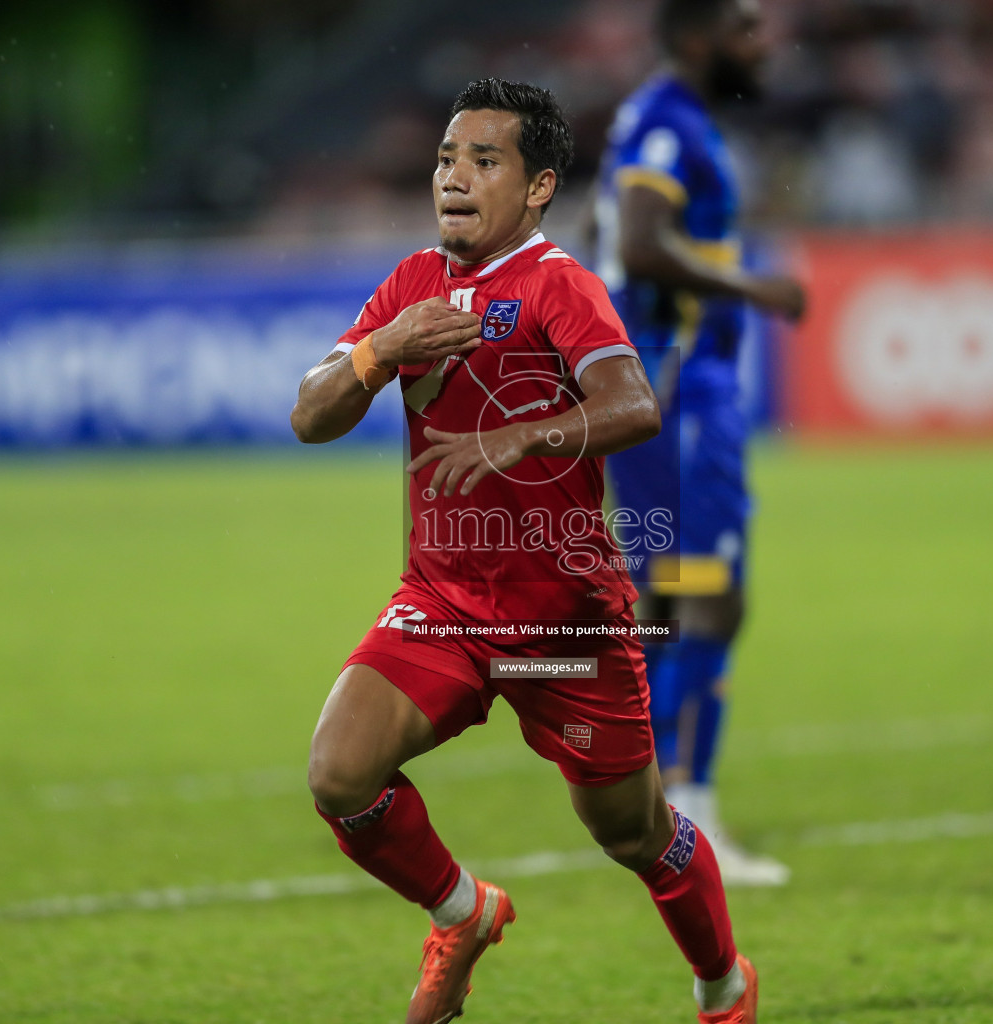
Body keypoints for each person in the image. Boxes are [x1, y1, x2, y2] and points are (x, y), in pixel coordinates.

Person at [290, 78, 759, 1023]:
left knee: (633, 832)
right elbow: (311, 414)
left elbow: (635, 405)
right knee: (339, 773)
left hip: (566, 626)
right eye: (444, 159)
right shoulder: (414, 286)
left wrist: (526, 435)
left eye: (483, 160)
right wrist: (382, 348)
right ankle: (462, 915)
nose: (453, 177)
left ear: (539, 186)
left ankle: (723, 984)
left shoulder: (560, 286)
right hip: (447, 603)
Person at [594, 0, 807, 887]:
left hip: (669, 387)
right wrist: (750, 286)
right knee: (700, 595)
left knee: (676, 595)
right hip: (674, 392)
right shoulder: (669, 126)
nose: (763, 44)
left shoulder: (656, 120)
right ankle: (687, 816)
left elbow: (602, 241)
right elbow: (639, 246)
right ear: (695, 37)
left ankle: (646, 803)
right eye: (745, 28)